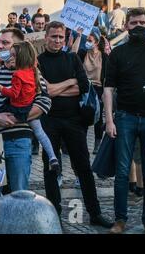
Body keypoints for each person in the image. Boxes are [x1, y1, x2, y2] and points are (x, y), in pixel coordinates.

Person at [37, 21, 113, 228]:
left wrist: (62, 86)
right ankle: (54, 214)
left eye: (61, 37)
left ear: (65, 38)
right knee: (51, 169)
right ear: (46, 37)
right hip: (49, 121)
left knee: (84, 168)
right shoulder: (39, 61)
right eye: (53, 36)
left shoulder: (72, 57)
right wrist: (69, 83)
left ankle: (95, 212)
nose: (57, 40)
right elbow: (46, 92)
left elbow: (82, 86)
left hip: (74, 121)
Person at [0, 29, 51, 197]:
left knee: (19, 193)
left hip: (19, 140)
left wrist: (18, 118)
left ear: (18, 48)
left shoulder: (32, 73)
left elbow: (44, 102)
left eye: (6, 43)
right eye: (0, 43)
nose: (1, 46)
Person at [103, 7, 145, 234]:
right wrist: (109, 120)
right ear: (126, 26)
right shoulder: (118, 54)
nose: (139, 26)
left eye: (142, 22)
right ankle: (120, 220)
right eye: (134, 23)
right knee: (122, 172)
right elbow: (108, 89)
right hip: (125, 118)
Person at [0, 41, 59, 172]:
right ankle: (53, 157)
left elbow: (14, 93)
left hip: (16, 109)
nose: (10, 57)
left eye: (13, 55)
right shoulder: (32, 72)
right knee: (40, 133)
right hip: (28, 107)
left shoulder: (17, 74)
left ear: (21, 57)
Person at [70, 27, 108, 154]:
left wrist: (105, 93)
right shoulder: (83, 53)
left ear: (96, 42)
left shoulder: (104, 56)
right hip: (85, 88)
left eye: (90, 40)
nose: (88, 42)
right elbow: (73, 54)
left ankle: (97, 143)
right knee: (84, 115)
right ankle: (82, 144)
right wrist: (79, 36)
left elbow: (108, 76)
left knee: (98, 117)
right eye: (87, 40)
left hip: (98, 89)